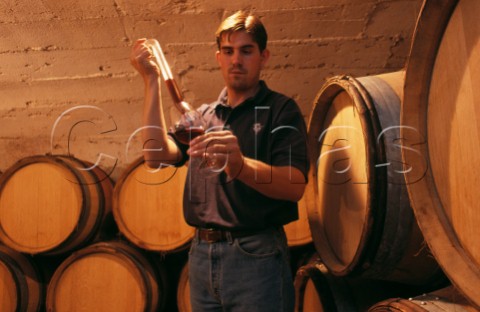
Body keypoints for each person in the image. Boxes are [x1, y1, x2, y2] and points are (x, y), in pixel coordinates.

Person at [130, 10, 309, 312]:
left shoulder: (281, 111)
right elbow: (155, 155)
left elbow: (294, 186)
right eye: (228, 51)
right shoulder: (204, 116)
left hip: (256, 256)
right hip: (200, 255)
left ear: (264, 56)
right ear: (218, 57)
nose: (236, 60)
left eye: (246, 51)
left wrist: (239, 165)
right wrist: (150, 81)